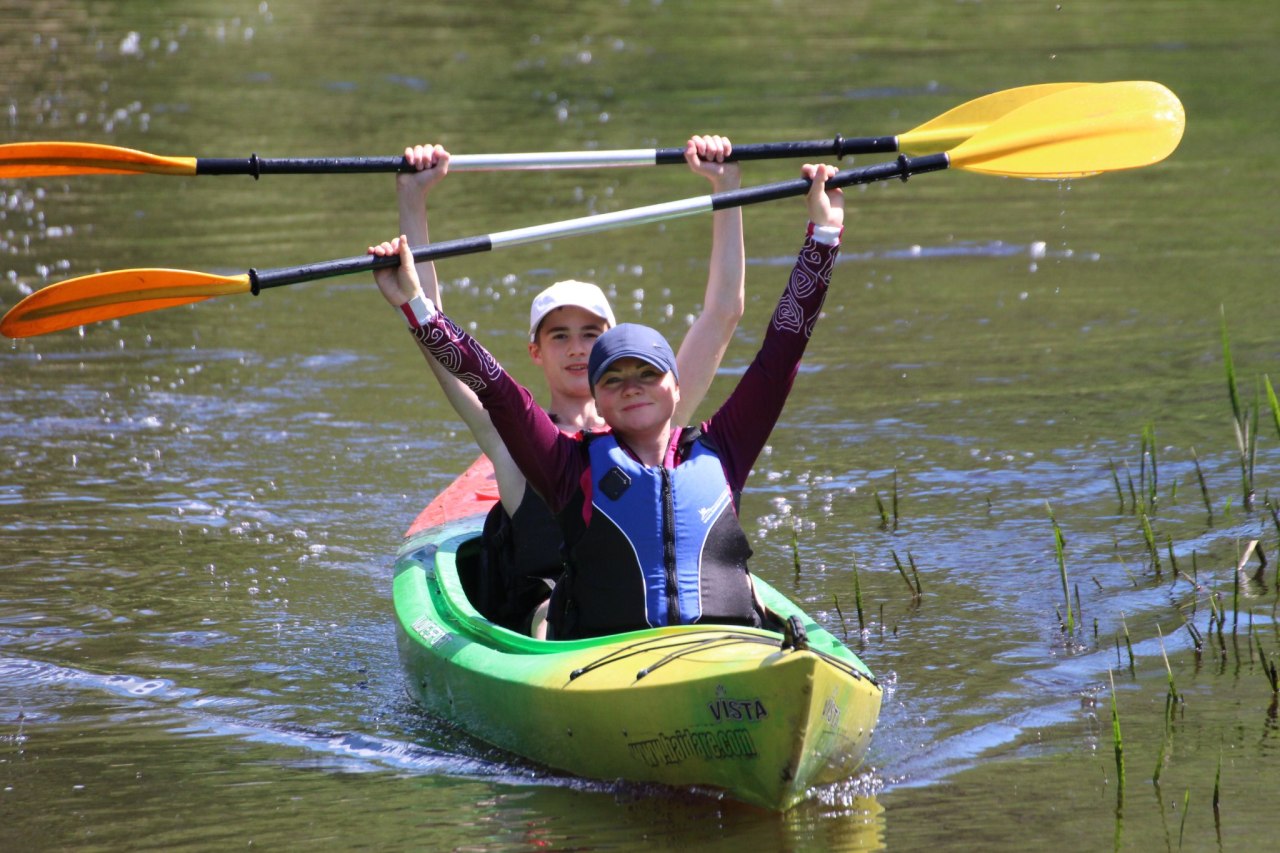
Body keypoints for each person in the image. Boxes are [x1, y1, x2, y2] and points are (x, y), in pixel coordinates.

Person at [370, 163, 844, 639]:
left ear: (675, 385)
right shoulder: (549, 457)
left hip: (713, 644)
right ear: (540, 353)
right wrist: (416, 303)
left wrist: (821, 234)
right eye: (612, 377)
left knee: (746, 591)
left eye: (592, 335)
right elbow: (485, 381)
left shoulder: (711, 446)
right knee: (547, 610)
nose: (631, 386)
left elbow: (774, 349)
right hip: (587, 637)